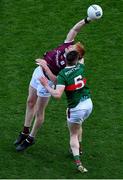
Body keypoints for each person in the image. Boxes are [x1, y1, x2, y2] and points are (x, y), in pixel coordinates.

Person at [14, 16, 94, 152]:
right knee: (30, 102)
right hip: (38, 72)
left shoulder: (68, 66)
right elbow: (75, 29)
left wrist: (45, 67)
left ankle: (31, 138)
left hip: (47, 81)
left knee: (39, 112)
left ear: (74, 56)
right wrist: (86, 20)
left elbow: (58, 81)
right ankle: (25, 131)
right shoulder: (67, 46)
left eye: (72, 47)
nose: (70, 46)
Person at [39, 50, 93, 173]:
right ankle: (79, 147)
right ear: (76, 60)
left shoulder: (63, 74)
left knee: (73, 134)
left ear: (65, 60)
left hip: (76, 108)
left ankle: (78, 162)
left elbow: (57, 94)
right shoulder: (80, 67)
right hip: (88, 104)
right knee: (79, 124)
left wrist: (46, 85)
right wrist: (77, 51)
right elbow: (81, 57)